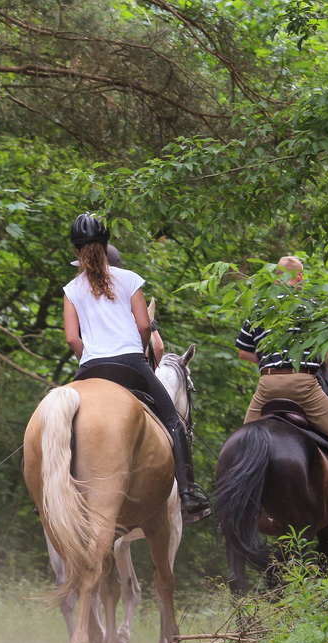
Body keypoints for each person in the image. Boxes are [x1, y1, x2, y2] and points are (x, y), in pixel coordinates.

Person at [63, 213, 212, 522]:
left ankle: (47, 495)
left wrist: (88, 355)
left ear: (77, 251)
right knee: (172, 419)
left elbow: (71, 339)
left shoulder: (71, 289)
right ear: (105, 246)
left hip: (91, 367)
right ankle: (187, 494)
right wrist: (137, 349)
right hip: (131, 363)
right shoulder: (130, 279)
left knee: (62, 420)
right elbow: (144, 326)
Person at [235, 255, 328, 505]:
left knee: (243, 441)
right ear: (299, 277)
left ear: (277, 278)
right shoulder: (312, 306)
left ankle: (236, 506)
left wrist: (268, 362)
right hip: (304, 385)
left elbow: (243, 351)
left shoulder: (261, 307)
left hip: (268, 386)